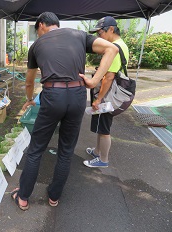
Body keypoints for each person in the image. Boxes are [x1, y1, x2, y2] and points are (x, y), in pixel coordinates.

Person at [11, 12, 118, 210]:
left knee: (36, 150)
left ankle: (23, 197)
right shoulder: (79, 35)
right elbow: (112, 49)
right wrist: (94, 81)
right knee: (66, 151)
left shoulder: (36, 47)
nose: (38, 35)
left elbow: (28, 81)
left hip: (53, 96)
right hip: (78, 96)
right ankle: (54, 197)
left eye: (37, 31)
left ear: (41, 25)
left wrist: (28, 100)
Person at [80, 16, 129, 168]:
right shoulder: (121, 45)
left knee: (104, 128)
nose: (98, 36)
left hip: (107, 94)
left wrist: (98, 99)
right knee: (101, 125)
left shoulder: (114, 48)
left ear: (111, 29)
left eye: (100, 32)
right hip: (110, 92)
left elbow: (108, 77)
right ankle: (97, 151)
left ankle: (103, 159)